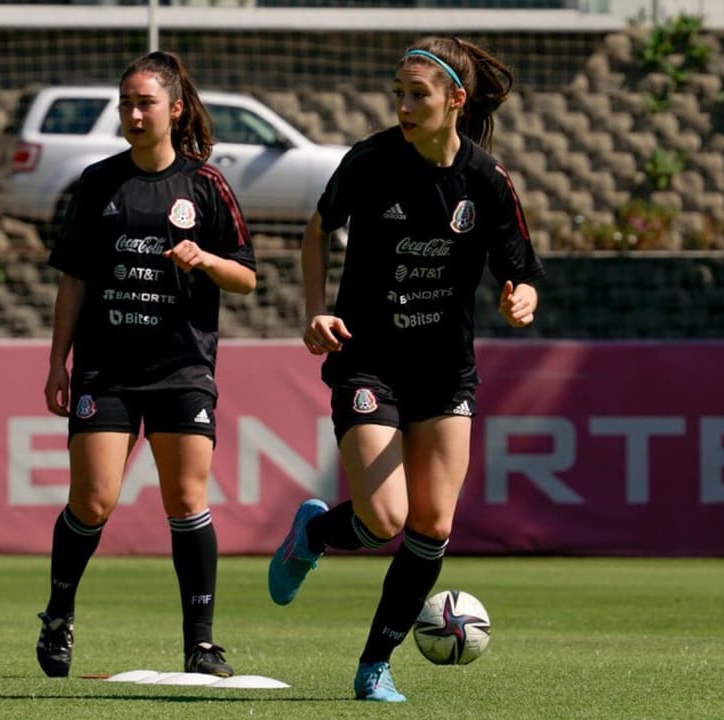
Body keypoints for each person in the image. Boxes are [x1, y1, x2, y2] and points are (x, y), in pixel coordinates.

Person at [267, 36, 544, 702]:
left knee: (433, 527)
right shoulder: (370, 161)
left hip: (446, 373)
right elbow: (316, 230)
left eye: (416, 93)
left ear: (455, 99)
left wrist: (521, 298)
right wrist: (314, 311)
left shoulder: (485, 180)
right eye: (398, 92)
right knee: (386, 518)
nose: (402, 104)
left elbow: (523, 270)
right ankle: (315, 533)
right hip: (367, 362)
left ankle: (374, 666)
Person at [36, 50, 256, 679]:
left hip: (182, 369)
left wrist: (205, 261)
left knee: (187, 499)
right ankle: (58, 614)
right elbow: (73, 282)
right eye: (125, 103)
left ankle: (202, 643)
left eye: (145, 103)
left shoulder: (206, 185)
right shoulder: (98, 182)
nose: (133, 114)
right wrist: (58, 362)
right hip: (105, 371)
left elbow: (246, 277)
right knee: (94, 502)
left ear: (175, 109)